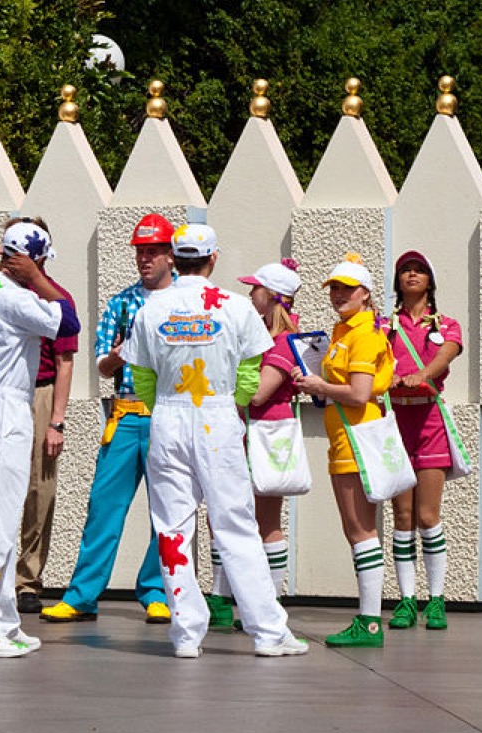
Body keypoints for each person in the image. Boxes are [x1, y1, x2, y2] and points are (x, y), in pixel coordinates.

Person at [122, 223, 308, 658]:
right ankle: (267, 632)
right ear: (213, 258)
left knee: (172, 528)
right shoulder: (236, 308)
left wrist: (169, 406)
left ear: (173, 255)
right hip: (218, 417)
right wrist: (227, 407)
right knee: (237, 526)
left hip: (168, 416)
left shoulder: (151, 308)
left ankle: (186, 632)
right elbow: (248, 376)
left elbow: (142, 378)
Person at [0, 221, 80, 657]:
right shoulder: (12, 297)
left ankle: (1, 618)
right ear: (34, 259)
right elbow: (67, 320)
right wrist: (38, 279)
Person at [40, 214, 175, 625]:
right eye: (140, 251)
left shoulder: (186, 303)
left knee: (167, 511)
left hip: (168, 415)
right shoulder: (121, 302)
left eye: (152, 251)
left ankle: (156, 590)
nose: (144, 259)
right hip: (126, 413)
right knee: (103, 508)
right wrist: (116, 356)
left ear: (171, 255)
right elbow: (100, 363)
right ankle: (83, 594)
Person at [291, 254, 395, 648]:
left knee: (360, 529)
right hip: (346, 436)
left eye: (346, 289)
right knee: (357, 529)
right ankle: (368, 620)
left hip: (356, 436)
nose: (338, 295)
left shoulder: (362, 334)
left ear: (365, 294)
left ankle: (369, 622)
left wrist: (319, 387)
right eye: (334, 288)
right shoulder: (346, 331)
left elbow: (358, 393)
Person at [206, 258, 303, 629]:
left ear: (273, 297)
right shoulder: (256, 335)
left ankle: (270, 602)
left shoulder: (282, 342)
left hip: (266, 435)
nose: (249, 295)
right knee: (224, 513)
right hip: (245, 433)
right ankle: (221, 597)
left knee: (265, 519)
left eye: (255, 289)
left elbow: (259, 393)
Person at [385, 250, 462, 630]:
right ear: (397, 282)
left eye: (419, 271)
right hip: (397, 421)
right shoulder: (384, 326)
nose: (412, 276)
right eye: (405, 271)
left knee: (428, 515)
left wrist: (421, 375)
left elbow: (446, 355)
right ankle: (405, 600)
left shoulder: (446, 324)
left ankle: (436, 598)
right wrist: (389, 379)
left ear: (430, 280)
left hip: (429, 421)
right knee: (401, 515)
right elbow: (375, 363)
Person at [11, 217, 78, 616]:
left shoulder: (56, 298)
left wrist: (56, 420)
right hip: (2, 393)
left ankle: (28, 580)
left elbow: (65, 360)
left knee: (40, 489)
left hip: (40, 392)